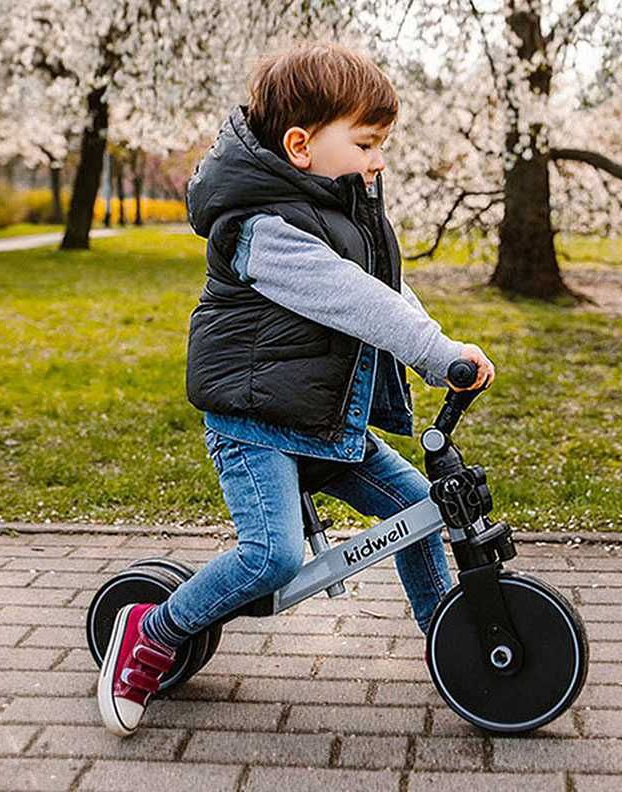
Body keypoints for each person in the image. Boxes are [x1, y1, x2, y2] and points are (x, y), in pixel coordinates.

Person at [97, 41, 495, 737]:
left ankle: (449, 644)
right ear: (301, 145)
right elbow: (348, 298)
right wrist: (433, 355)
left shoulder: (341, 209)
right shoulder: (265, 228)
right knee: (273, 556)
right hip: (254, 428)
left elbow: (386, 291)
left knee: (422, 511)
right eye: (367, 143)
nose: (378, 160)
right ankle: (152, 634)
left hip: (321, 420)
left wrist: (441, 347)